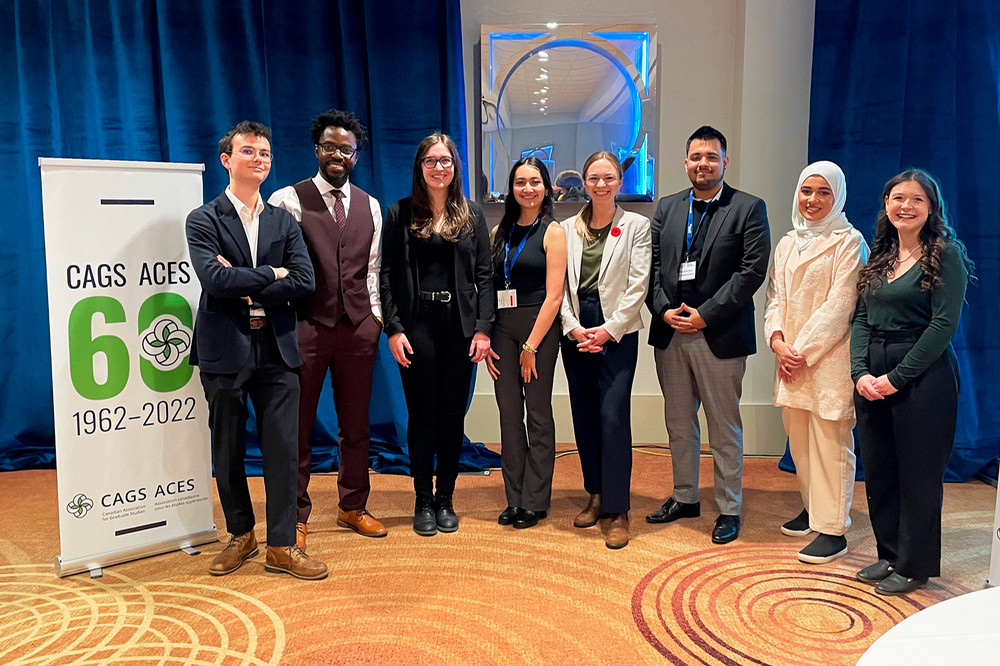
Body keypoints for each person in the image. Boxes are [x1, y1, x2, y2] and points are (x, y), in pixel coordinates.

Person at [186, 121, 326, 580]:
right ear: (227, 160)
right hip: (223, 347)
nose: (260, 159)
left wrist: (253, 280)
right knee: (226, 447)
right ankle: (241, 534)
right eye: (249, 151)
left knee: (284, 448)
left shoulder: (285, 221)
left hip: (278, 348)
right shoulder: (203, 219)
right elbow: (215, 280)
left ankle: (283, 545)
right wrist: (274, 273)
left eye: (265, 152)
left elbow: (305, 282)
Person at [645, 125, 770, 545]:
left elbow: (751, 272)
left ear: (724, 162)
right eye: (696, 157)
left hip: (720, 334)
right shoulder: (667, 207)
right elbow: (653, 267)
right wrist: (664, 311)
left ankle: (729, 507)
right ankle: (685, 496)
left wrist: (704, 316)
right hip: (671, 332)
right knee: (679, 424)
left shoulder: (749, 208)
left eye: (711, 157)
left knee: (723, 426)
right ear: (685, 163)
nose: (703, 164)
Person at [268, 109, 386, 549]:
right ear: (317, 149)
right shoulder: (286, 200)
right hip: (306, 326)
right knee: (296, 427)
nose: (338, 154)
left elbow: (372, 270)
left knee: (356, 423)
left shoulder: (371, 206)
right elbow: (276, 266)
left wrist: (374, 319)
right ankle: (295, 515)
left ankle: (352, 505)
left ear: (357, 154)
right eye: (330, 147)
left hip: (358, 328)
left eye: (347, 149)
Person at [851, 169, 973, 595]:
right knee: (881, 469)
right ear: (886, 204)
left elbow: (942, 327)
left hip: (924, 375)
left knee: (918, 474)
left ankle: (914, 564)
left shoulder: (946, 254)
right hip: (873, 372)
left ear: (931, 208)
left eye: (917, 199)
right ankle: (888, 554)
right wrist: (860, 374)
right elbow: (862, 317)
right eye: (897, 197)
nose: (906, 206)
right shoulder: (880, 256)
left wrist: (894, 379)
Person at [379, 133, 495, 536]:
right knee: (421, 417)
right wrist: (392, 329)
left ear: (455, 167)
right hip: (417, 327)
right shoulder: (399, 214)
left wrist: (483, 330)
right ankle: (422, 500)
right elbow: (387, 276)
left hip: (461, 329)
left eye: (445, 160)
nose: (438, 167)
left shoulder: (472, 215)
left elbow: (485, 276)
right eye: (430, 160)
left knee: (450, 417)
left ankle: (445, 498)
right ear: (420, 167)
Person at [764, 161, 867, 564]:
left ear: (837, 195)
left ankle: (833, 529)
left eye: (823, 192)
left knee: (830, 441)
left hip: (827, 359)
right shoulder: (789, 242)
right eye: (807, 191)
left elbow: (840, 306)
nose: (813, 200)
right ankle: (813, 508)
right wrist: (777, 340)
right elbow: (776, 297)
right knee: (800, 437)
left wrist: (800, 351)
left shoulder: (849, 241)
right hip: (790, 357)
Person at [560, 151, 651, 549]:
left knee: (612, 415)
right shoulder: (565, 228)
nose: (601, 184)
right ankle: (595, 495)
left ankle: (618, 509)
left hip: (617, 329)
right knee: (583, 412)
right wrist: (573, 326)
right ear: (584, 181)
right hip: (577, 328)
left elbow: (638, 285)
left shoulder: (636, 226)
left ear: (619, 181)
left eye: (608, 177)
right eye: (594, 178)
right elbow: (558, 286)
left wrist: (609, 330)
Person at [486, 158, 567, 530]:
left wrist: (531, 347)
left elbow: (554, 296)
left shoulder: (553, 232)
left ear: (546, 187)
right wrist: (487, 338)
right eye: (520, 182)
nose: (528, 188)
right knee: (508, 417)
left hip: (539, 331)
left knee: (537, 414)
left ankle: (535, 500)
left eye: (535, 181)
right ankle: (514, 498)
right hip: (502, 331)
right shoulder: (498, 231)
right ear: (512, 188)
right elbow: (487, 288)